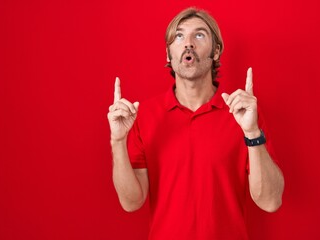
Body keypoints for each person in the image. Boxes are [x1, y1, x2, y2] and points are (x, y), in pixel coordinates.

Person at [107, 7, 284, 240]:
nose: (188, 43)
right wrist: (117, 141)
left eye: (199, 35)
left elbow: (270, 201)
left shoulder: (243, 114)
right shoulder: (144, 115)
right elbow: (132, 202)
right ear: (168, 54)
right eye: (179, 36)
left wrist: (252, 131)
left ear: (216, 51)